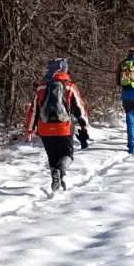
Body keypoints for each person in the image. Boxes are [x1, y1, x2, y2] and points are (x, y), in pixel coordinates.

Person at [25, 58, 89, 192]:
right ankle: (59, 171)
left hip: (45, 129)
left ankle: (58, 179)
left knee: (52, 157)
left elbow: (33, 110)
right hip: (63, 127)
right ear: (64, 70)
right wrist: (84, 125)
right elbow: (80, 108)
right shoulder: (69, 86)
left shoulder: (41, 87)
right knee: (67, 155)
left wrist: (29, 129)